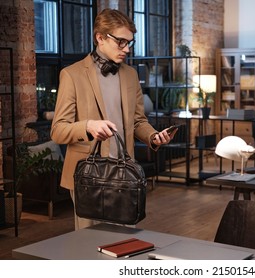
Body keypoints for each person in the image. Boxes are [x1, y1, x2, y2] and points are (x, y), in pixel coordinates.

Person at [51, 8, 177, 230]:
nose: (127, 49)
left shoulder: (130, 75)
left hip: (124, 174)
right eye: (121, 42)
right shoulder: (72, 74)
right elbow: (58, 130)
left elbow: (138, 121)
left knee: (124, 244)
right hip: (88, 175)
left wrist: (154, 137)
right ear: (100, 37)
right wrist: (88, 126)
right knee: (90, 245)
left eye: (130, 42)